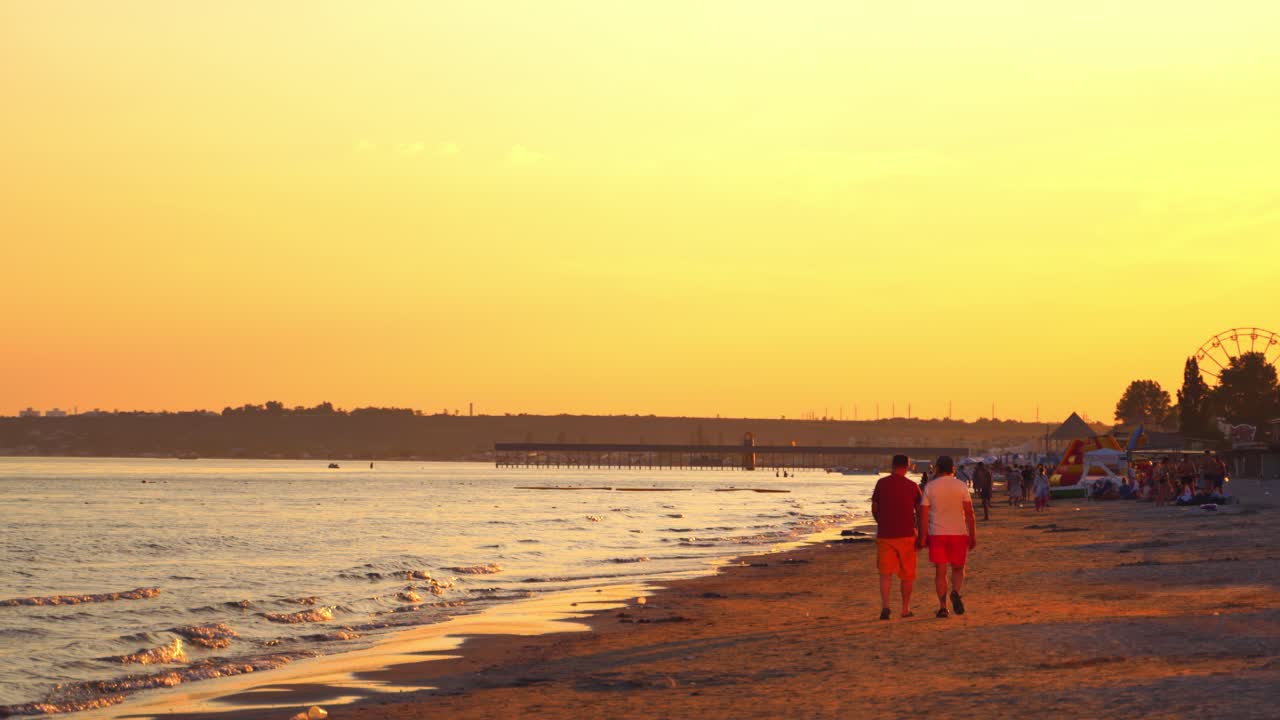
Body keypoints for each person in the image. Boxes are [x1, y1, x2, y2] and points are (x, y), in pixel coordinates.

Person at [918, 456, 976, 619]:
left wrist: (922, 536)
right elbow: (969, 514)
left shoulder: (930, 487)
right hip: (958, 533)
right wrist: (972, 535)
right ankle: (956, 592)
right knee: (958, 568)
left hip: (937, 534)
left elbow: (923, 514)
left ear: (937, 468)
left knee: (940, 572)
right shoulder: (961, 486)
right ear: (953, 469)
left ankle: (943, 607)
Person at [871, 455, 922, 620]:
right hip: (906, 534)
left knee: (885, 574)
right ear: (907, 466)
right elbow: (920, 511)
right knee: (907, 575)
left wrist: (881, 521)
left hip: (885, 534)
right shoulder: (912, 486)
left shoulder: (881, 483)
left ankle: (885, 606)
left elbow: (875, 506)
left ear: (892, 465)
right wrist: (921, 533)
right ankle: (905, 609)